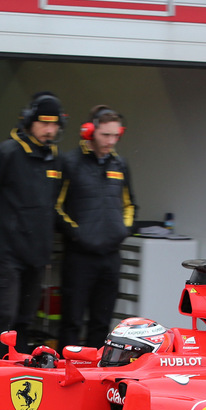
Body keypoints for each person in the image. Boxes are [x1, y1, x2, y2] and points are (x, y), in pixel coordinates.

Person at [0, 91, 65, 357]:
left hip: (36, 252)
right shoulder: (6, 153)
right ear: (29, 121)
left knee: (25, 319)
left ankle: (18, 372)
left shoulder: (54, 158)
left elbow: (54, 201)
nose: (49, 129)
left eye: (54, 123)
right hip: (7, 251)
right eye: (43, 122)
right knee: (4, 317)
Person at [55, 105, 136, 348]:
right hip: (79, 256)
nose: (111, 141)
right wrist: (78, 235)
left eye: (115, 135)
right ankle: (63, 375)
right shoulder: (69, 162)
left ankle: (93, 376)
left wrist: (122, 232)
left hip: (110, 256)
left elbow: (130, 204)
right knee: (71, 321)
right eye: (105, 135)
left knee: (102, 323)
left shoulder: (120, 165)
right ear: (89, 132)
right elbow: (55, 207)